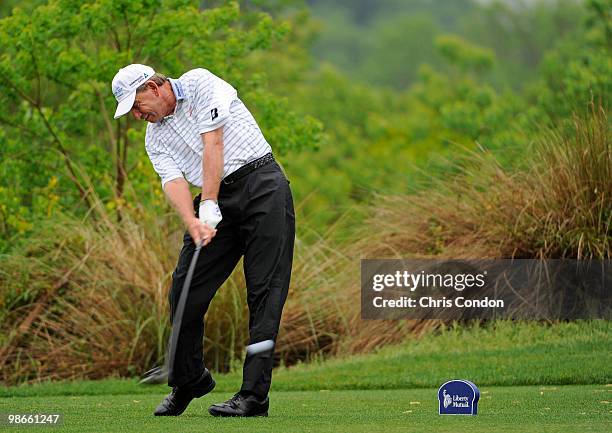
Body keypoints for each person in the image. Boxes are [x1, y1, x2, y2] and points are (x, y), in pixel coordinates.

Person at [111, 64, 295, 417]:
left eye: (137, 105)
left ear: (153, 87)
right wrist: (193, 220)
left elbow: (214, 142)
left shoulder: (200, 83)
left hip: (263, 188)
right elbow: (174, 182)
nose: (136, 115)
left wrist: (208, 201)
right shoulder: (155, 137)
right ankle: (190, 379)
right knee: (185, 289)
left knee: (263, 294)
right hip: (216, 201)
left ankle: (253, 397)